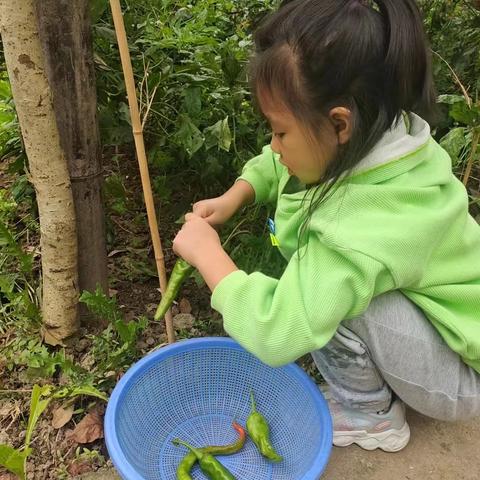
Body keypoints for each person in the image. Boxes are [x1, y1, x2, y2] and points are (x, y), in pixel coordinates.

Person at [172, 0, 480, 452]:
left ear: (339, 123)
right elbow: (288, 162)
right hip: (460, 325)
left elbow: (277, 331)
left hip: (463, 378)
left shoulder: (355, 232)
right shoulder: (391, 137)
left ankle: (371, 415)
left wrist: (210, 256)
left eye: (279, 132)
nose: (274, 146)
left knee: (323, 295)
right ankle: (381, 383)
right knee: (329, 284)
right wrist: (238, 192)